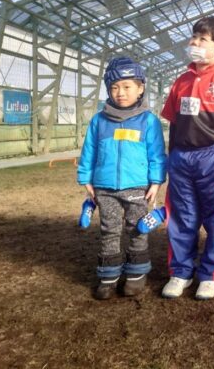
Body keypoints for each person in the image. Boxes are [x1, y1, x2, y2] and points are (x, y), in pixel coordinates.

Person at [160, 16, 214, 300]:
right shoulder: (182, 81)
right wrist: (173, 156)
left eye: (203, 38)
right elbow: (174, 122)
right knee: (181, 216)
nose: (194, 42)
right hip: (182, 158)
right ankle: (180, 272)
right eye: (194, 36)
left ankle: (211, 275)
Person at [77, 57, 167, 300]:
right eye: (114, 87)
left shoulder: (148, 121)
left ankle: (136, 274)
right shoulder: (99, 120)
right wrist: (86, 179)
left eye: (127, 87)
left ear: (140, 88)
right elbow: (89, 151)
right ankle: (108, 277)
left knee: (137, 229)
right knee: (109, 230)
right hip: (104, 188)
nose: (120, 92)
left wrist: (156, 181)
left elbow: (157, 154)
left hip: (137, 187)